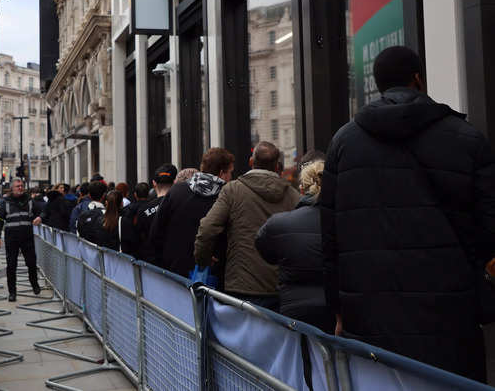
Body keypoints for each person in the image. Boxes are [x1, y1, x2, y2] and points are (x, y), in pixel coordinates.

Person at [320, 46, 495, 381]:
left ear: (378, 84)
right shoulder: (467, 138)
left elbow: (330, 239)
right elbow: (489, 231)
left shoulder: (343, 142)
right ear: (418, 79)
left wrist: (337, 309)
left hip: (368, 315)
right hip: (450, 314)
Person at [194, 142, 299, 310]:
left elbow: (207, 228)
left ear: (251, 162)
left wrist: (203, 260)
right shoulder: (293, 196)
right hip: (281, 286)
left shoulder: (233, 190)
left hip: (242, 286)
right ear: (277, 166)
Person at [255, 157, 333, 332]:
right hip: (335, 309)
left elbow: (264, 248)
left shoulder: (279, 223)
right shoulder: (343, 222)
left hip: (295, 310)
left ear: (302, 189)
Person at [150, 149, 234, 278]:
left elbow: (156, 231)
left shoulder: (177, 191)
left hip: (174, 270)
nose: (231, 177)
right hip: (212, 274)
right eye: (230, 172)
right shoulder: (226, 196)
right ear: (222, 173)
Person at [0, 179, 42, 301]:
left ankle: (34, 285)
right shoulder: (5, 203)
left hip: (27, 238)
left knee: (31, 263)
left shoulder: (30, 201)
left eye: (21, 186)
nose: (20, 188)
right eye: (17, 186)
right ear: (12, 188)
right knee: (11, 266)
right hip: (11, 239)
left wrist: (40, 217)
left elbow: (43, 212)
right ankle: (12, 293)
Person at [120, 179, 166, 260]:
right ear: (148, 194)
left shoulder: (128, 210)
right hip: (154, 249)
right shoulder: (156, 207)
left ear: (135, 195)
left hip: (135, 250)